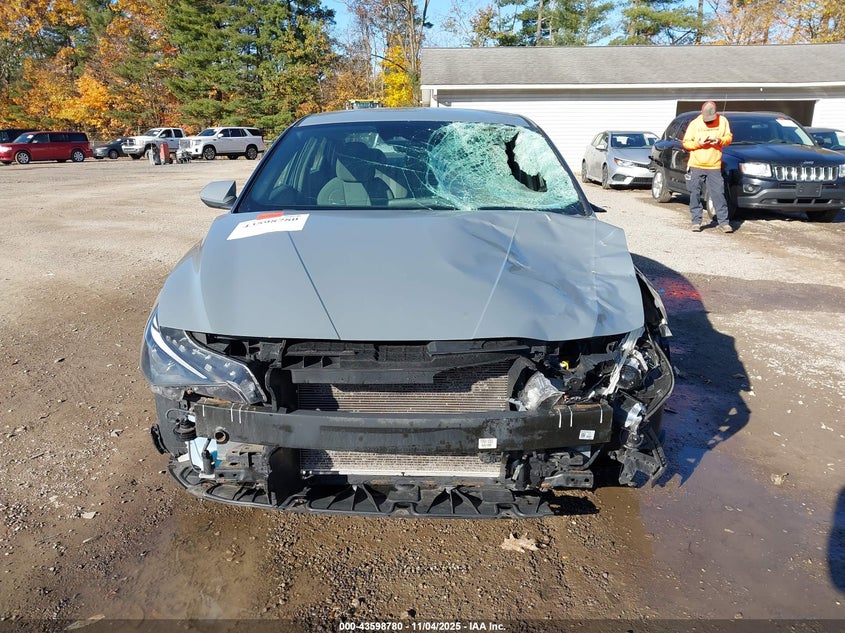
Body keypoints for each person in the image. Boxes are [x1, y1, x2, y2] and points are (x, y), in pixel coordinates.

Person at [682, 101, 734, 233]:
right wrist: (698, 144)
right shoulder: (695, 123)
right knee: (695, 194)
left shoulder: (723, 121)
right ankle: (696, 222)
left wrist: (720, 140)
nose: (709, 121)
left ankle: (724, 223)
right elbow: (686, 143)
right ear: (702, 113)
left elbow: (728, 137)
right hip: (696, 165)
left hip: (714, 165)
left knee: (718, 194)